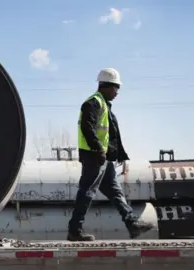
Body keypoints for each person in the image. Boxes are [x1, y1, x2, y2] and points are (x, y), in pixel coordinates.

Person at [67, 68, 154, 241]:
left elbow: (110, 133)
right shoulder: (93, 103)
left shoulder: (104, 105)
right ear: (105, 86)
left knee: (115, 191)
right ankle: (74, 231)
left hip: (103, 157)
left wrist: (116, 153)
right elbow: (87, 128)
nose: (117, 92)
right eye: (115, 88)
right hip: (94, 156)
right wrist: (98, 149)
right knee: (87, 192)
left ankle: (132, 223)